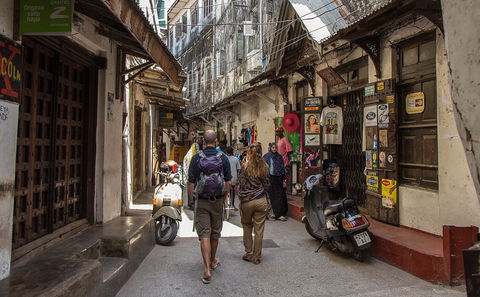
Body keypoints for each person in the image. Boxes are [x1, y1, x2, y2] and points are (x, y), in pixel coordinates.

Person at [188, 130, 232, 284]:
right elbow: (228, 181)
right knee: (215, 233)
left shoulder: (196, 158)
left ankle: (206, 270)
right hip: (218, 200)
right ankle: (213, 260)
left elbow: (191, 181)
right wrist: (224, 196)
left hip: (201, 201)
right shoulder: (223, 158)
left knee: (204, 234)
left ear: (203, 141)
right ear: (217, 141)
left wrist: (191, 201)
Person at [237, 142, 270, 265]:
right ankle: (257, 257)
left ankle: (248, 252)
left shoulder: (245, 166)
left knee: (246, 225)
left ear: (249, 152)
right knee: (259, 230)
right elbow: (267, 184)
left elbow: (239, 182)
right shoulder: (264, 166)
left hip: (247, 201)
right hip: (260, 200)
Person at [263, 143, 288, 221]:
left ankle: (280, 214)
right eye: (273, 147)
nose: (274, 149)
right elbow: (263, 168)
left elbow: (282, 168)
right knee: (270, 196)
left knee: (279, 196)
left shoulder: (279, 157)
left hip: (278, 179)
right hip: (269, 179)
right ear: (270, 148)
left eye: (275, 147)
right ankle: (272, 214)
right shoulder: (266, 156)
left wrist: (284, 180)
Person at [226, 146, 241, 210]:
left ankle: (225, 203)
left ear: (226, 152)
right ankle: (232, 204)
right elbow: (238, 169)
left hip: (226, 178)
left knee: (226, 191)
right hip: (233, 178)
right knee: (233, 192)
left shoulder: (224, 158)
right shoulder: (236, 159)